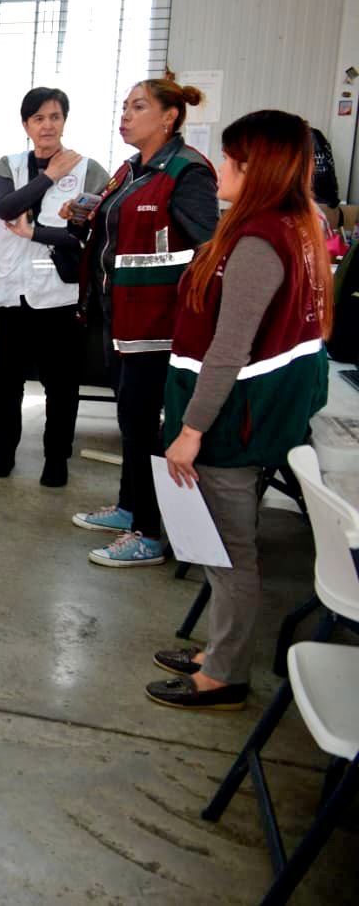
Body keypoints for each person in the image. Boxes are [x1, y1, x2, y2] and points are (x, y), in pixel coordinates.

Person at [147, 110, 330, 710]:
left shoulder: (258, 241)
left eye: (230, 159)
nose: (219, 167)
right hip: (256, 414)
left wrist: (191, 430)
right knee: (228, 545)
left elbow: (229, 349)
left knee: (229, 552)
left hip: (232, 420)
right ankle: (220, 651)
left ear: (256, 169)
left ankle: (224, 676)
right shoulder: (293, 225)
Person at [65, 76, 218, 567]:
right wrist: (83, 214)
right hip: (120, 317)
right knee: (130, 421)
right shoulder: (130, 169)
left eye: (138, 107)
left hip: (159, 325)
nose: (125, 115)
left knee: (143, 425)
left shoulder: (187, 172)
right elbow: (117, 227)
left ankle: (149, 534)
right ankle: (130, 506)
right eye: (124, 106)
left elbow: (207, 251)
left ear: (169, 117)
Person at [0, 87, 110, 487]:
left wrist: (39, 232)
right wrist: (51, 175)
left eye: (55, 117)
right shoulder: (10, 165)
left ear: (64, 121)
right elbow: (5, 208)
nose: (47, 125)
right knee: (7, 381)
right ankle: (4, 450)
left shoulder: (90, 170)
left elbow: (88, 235)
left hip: (59, 295)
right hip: (9, 292)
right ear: (26, 126)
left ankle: (56, 459)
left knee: (61, 385)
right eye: (38, 118)